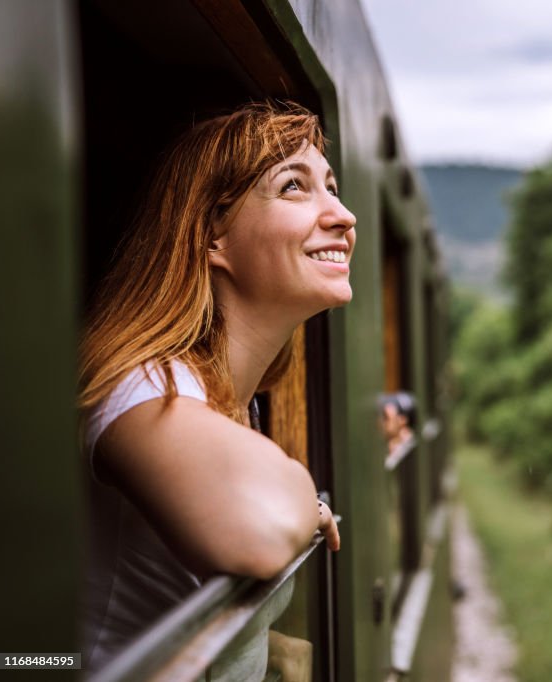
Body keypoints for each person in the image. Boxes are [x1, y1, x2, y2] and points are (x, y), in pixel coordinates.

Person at [77, 101, 353, 677]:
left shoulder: (229, 397)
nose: (344, 215)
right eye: (295, 187)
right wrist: (304, 497)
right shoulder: (146, 384)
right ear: (212, 236)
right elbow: (259, 526)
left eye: (332, 186)